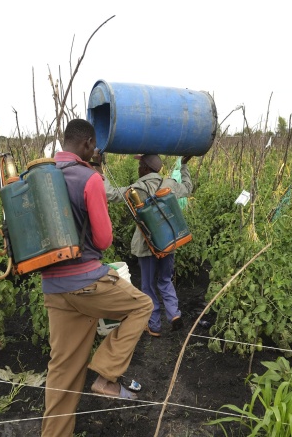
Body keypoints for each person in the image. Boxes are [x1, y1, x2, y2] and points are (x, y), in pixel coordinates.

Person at [40, 119, 153, 437]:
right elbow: (103, 240)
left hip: (54, 288)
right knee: (141, 306)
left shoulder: (41, 177)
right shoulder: (87, 179)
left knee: (62, 375)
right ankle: (107, 376)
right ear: (88, 144)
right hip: (86, 282)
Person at [97, 153, 193, 338]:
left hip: (146, 244)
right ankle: (174, 314)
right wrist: (184, 166)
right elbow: (188, 188)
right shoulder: (170, 184)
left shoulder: (137, 188)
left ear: (147, 168)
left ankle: (154, 325)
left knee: (148, 285)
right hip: (167, 242)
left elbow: (111, 194)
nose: (138, 168)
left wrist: (101, 172)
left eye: (140, 165)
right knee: (165, 280)